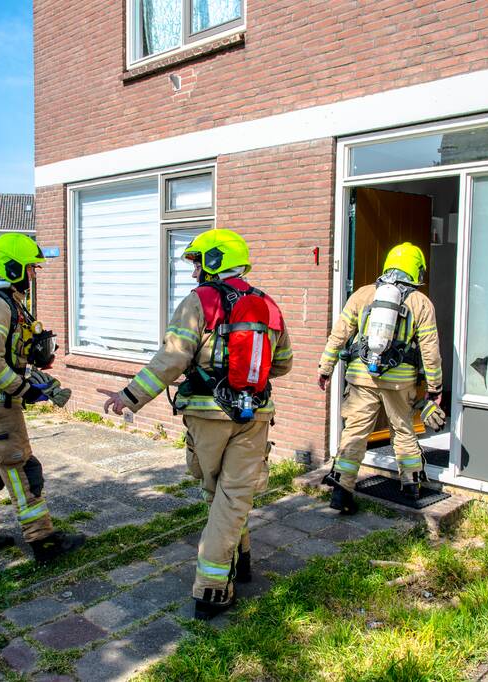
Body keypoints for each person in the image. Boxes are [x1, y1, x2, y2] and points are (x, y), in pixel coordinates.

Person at [99, 228, 293, 620]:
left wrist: (129, 396)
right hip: (255, 414)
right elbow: (284, 363)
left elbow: (171, 358)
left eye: (198, 263)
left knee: (219, 494)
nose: (194, 273)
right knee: (234, 495)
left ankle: (211, 589)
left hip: (206, 415)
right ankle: (240, 558)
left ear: (215, 261)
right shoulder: (268, 305)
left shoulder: (199, 301)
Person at [0, 233, 85, 564]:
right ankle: (43, 540)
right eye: (29, 268)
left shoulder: (5, 300)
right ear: (12, 267)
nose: (32, 275)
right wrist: (23, 388)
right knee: (19, 466)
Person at [317, 242, 443, 513]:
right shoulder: (421, 303)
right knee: (403, 430)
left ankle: (341, 492)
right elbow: (430, 350)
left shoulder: (362, 294)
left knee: (355, 432)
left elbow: (339, 334)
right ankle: (411, 487)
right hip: (400, 382)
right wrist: (435, 387)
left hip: (361, 378)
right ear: (416, 269)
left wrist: (325, 368)